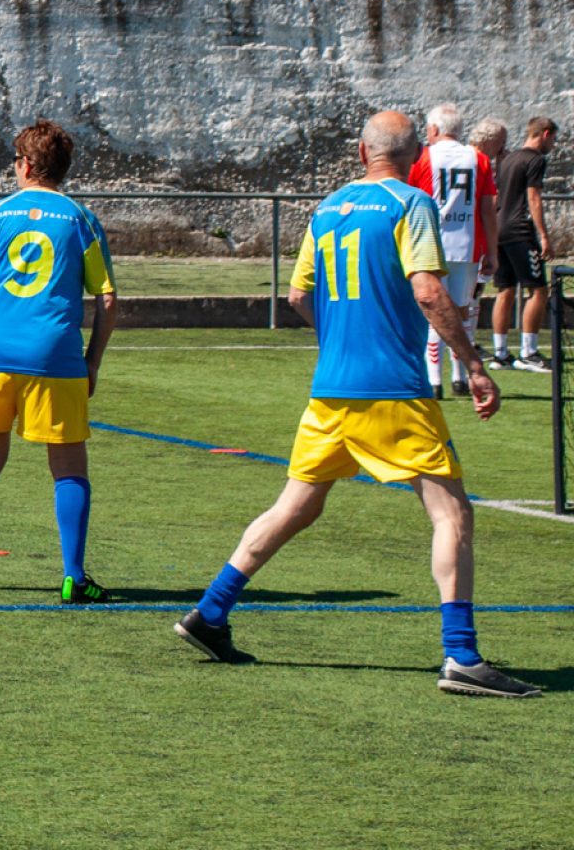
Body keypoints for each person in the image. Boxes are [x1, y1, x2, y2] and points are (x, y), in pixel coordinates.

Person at [175, 110, 540, 698]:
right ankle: (462, 656)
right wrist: (473, 364)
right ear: (415, 152)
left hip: (331, 388)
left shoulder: (326, 210)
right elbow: (427, 290)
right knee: (453, 515)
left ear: (359, 150)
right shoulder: (409, 204)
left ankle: (210, 612)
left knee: (295, 506)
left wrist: (343, 338)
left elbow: (298, 295)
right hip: (392, 389)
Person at [0, 119, 118, 603]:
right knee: (68, 466)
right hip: (55, 356)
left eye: (16, 161)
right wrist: (92, 361)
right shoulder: (79, 219)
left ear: (27, 165)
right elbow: (106, 298)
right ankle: (74, 577)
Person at [408, 103, 498, 398]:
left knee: (434, 311)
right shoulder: (479, 159)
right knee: (461, 312)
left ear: (433, 130)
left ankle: (434, 381)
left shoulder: (422, 158)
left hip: (430, 246)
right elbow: (488, 208)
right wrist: (492, 251)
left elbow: (409, 202)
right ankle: (460, 378)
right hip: (468, 246)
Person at [489, 116, 560, 372]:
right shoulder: (535, 160)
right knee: (538, 291)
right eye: (553, 139)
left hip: (499, 230)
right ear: (545, 133)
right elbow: (534, 198)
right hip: (520, 231)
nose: (553, 144)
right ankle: (528, 353)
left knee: (505, 291)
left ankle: (500, 354)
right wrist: (543, 236)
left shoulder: (508, 159)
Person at [467, 118, 509, 353]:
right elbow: (489, 206)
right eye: (501, 142)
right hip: (473, 239)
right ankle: (467, 343)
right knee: (470, 297)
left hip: (459, 238)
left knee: (470, 296)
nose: (503, 149)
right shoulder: (479, 162)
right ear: (491, 141)